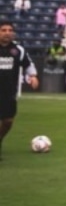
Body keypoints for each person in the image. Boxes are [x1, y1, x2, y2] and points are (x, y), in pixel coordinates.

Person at [0, 20, 40, 160]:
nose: (7, 33)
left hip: (9, 92)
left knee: (8, 121)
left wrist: (33, 76)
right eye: (3, 30)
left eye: (10, 30)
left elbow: (28, 64)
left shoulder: (18, 50)